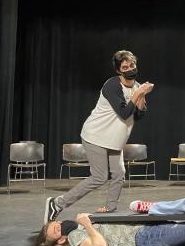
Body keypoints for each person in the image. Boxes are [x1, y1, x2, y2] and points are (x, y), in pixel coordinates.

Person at [44, 50, 154, 224]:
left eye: (132, 65)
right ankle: (57, 203)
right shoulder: (112, 85)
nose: (130, 69)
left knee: (119, 173)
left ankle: (110, 208)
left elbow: (138, 115)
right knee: (99, 177)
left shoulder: (137, 86)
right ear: (119, 70)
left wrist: (141, 94)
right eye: (125, 67)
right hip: (96, 135)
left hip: (114, 140)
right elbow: (125, 113)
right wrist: (138, 93)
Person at [36, 213, 185, 246]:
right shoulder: (73, 238)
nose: (59, 224)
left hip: (143, 227)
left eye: (57, 222)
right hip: (142, 237)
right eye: (55, 229)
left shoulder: (76, 229)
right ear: (59, 239)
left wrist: (100, 217)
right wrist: (88, 225)